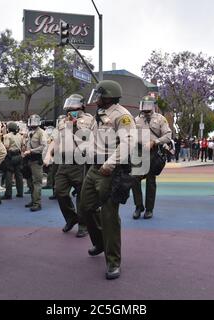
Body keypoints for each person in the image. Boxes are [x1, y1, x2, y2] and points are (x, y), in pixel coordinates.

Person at [80, 80, 136, 280]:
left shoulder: (122, 116)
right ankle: (100, 242)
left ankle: (113, 262)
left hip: (109, 171)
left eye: (100, 95)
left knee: (109, 217)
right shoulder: (101, 114)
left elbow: (127, 143)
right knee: (85, 207)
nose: (97, 99)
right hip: (94, 168)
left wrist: (110, 164)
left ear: (109, 96)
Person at [45, 95, 94, 238]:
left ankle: (83, 225)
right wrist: (49, 154)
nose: (71, 108)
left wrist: (75, 125)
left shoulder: (89, 120)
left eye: (74, 105)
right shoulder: (61, 121)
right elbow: (55, 139)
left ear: (81, 106)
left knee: (81, 195)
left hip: (80, 162)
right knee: (60, 192)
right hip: (63, 162)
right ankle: (71, 218)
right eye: (69, 105)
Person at [132, 96, 172, 220]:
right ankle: (139, 206)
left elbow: (168, 135)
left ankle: (149, 209)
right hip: (138, 151)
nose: (146, 108)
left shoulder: (160, 119)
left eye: (148, 105)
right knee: (134, 179)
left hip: (153, 151)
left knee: (150, 181)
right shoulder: (137, 119)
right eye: (144, 105)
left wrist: (155, 142)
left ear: (153, 106)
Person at [23, 115, 47, 212]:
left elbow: (43, 146)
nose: (32, 123)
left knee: (37, 182)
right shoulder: (29, 132)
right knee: (30, 182)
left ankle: (37, 203)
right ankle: (33, 201)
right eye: (31, 120)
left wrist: (31, 151)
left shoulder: (41, 132)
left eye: (34, 121)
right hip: (28, 159)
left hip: (36, 160)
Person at [2, 122, 24, 200]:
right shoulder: (19, 136)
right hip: (18, 155)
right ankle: (20, 192)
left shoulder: (7, 136)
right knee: (19, 175)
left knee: (8, 174)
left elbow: (6, 146)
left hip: (10, 156)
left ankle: (8, 194)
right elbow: (22, 146)